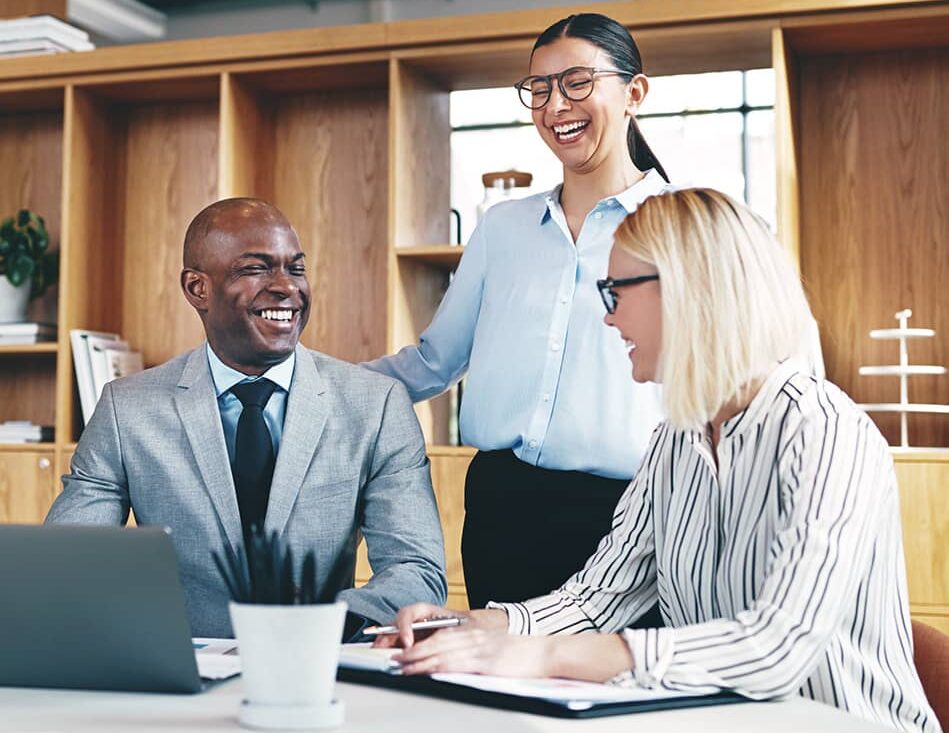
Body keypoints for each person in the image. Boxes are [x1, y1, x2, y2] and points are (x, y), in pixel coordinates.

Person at [378, 188, 939, 733]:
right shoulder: (673, 443)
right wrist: (475, 626)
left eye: (614, 291)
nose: (608, 319)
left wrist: (544, 656)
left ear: (688, 289)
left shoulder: (826, 432)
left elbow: (776, 646)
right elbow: (598, 599)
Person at [364, 13, 672, 610]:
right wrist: (317, 388)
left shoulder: (681, 224)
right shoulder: (501, 230)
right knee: (496, 689)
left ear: (634, 93)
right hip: (503, 510)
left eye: (578, 82)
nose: (557, 105)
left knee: (615, 690)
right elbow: (433, 361)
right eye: (541, 88)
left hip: (634, 514)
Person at [46, 198, 447, 641]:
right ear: (198, 288)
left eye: (295, 269)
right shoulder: (127, 410)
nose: (286, 288)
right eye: (255, 269)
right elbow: (67, 565)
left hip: (318, 668)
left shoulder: (377, 405)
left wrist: (314, 627)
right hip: (180, 674)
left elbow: (416, 571)